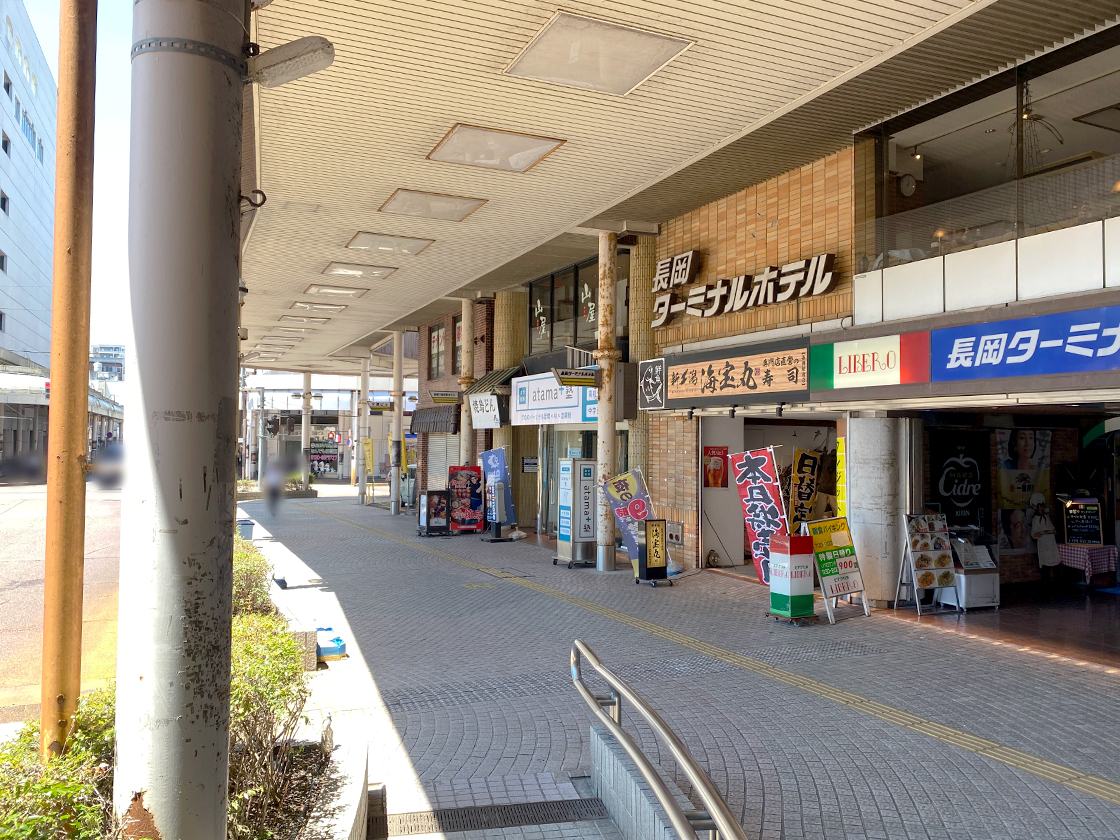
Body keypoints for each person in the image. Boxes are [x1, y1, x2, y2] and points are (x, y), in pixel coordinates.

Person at [1030, 491, 1060, 581]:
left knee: (1055, 564)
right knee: (1045, 566)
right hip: (1043, 544)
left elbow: (1053, 529)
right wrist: (1037, 534)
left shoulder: (1046, 517)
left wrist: (1052, 531)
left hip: (1051, 544)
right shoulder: (1035, 519)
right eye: (1040, 508)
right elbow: (1033, 533)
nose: (1042, 510)